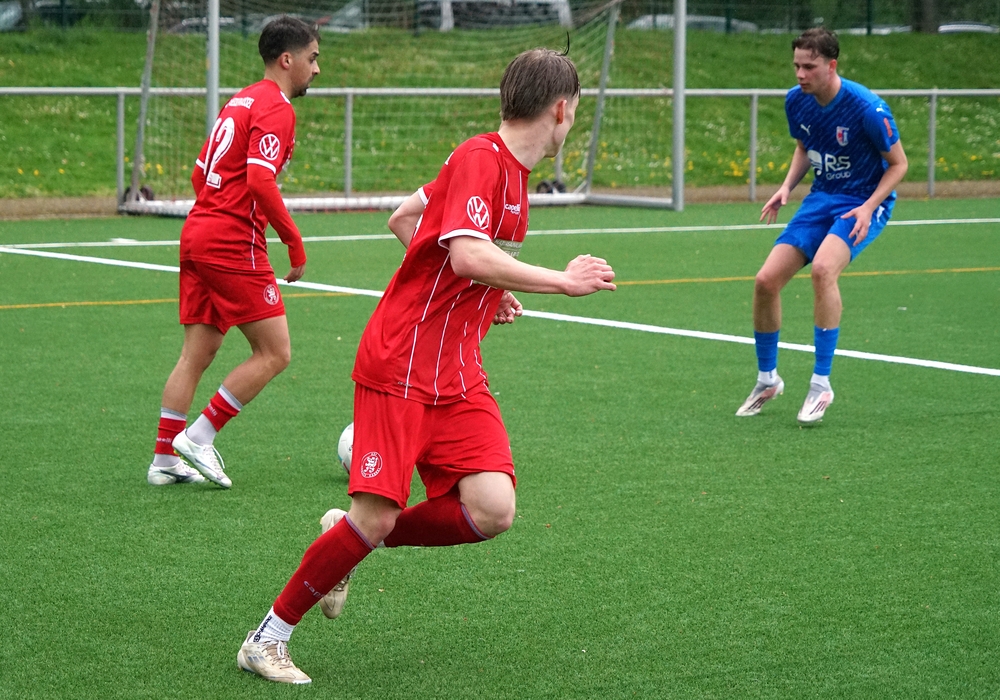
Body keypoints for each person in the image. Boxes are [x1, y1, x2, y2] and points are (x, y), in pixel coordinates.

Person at [235, 48, 616, 685]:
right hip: (403, 360)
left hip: (456, 370)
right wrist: (559, 280)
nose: (572, 121)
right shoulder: (480, 159)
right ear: (560, 109)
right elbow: (465, 254)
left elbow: (408, 220)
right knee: (377, 515)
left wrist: (485, 290)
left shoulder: (510, 174)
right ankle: (267, 638)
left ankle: (346, 542)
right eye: (575, 109)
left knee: (492, 508)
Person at [146, 17, 320, 488]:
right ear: (287, 59)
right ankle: (199, 437)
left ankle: (164, 460)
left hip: (197, 232)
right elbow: (260, 180)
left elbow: (199, 174)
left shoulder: (239, 100)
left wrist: (216, 213)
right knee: (275, 352)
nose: (316, 69)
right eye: (312, 58)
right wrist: (293, 241)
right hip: (230, 240)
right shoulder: (277, 107)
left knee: (196, 353)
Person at [736, 27, 907, 424]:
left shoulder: (868, 108)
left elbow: (899, 165)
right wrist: (786, 186)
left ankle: (821, 384)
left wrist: (868, 207)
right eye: (796, 65)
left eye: (809, 67)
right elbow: (804, 147)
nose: (800, 74)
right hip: (821, 198)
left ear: (831, 65)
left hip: (861, 202)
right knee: (765, 281)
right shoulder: (797, 101)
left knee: (823, 270)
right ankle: (767, 380)